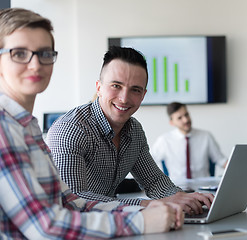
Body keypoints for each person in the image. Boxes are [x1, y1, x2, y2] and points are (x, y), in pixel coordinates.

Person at [0, 8, 184, 239]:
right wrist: (140, 220)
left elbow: (72, 202)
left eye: (45, 54)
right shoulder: (4, 129)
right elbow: (45, 227)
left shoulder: (27, 127)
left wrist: (143, 209)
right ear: (99, 87)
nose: (36, 65)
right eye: (19, 53)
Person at [46, 46, 213, 214]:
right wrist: (146, 205)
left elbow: (154, 182)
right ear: (99, 87)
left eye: (135, 89)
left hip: (109, 224)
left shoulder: (134, 131)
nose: (124, 98)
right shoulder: (71, 129)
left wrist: (185, 198)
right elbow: (74, 200)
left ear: (143, 95)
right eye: (116, 85)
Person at [151, 102, 227, 183]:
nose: (186, 120)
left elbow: (221, 160)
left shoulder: (206, 136)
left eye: (186, 114)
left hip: (203, 187)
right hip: (177, 188)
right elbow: (148, 164)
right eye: (179, 118)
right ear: (172, 122)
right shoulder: (164, 140)